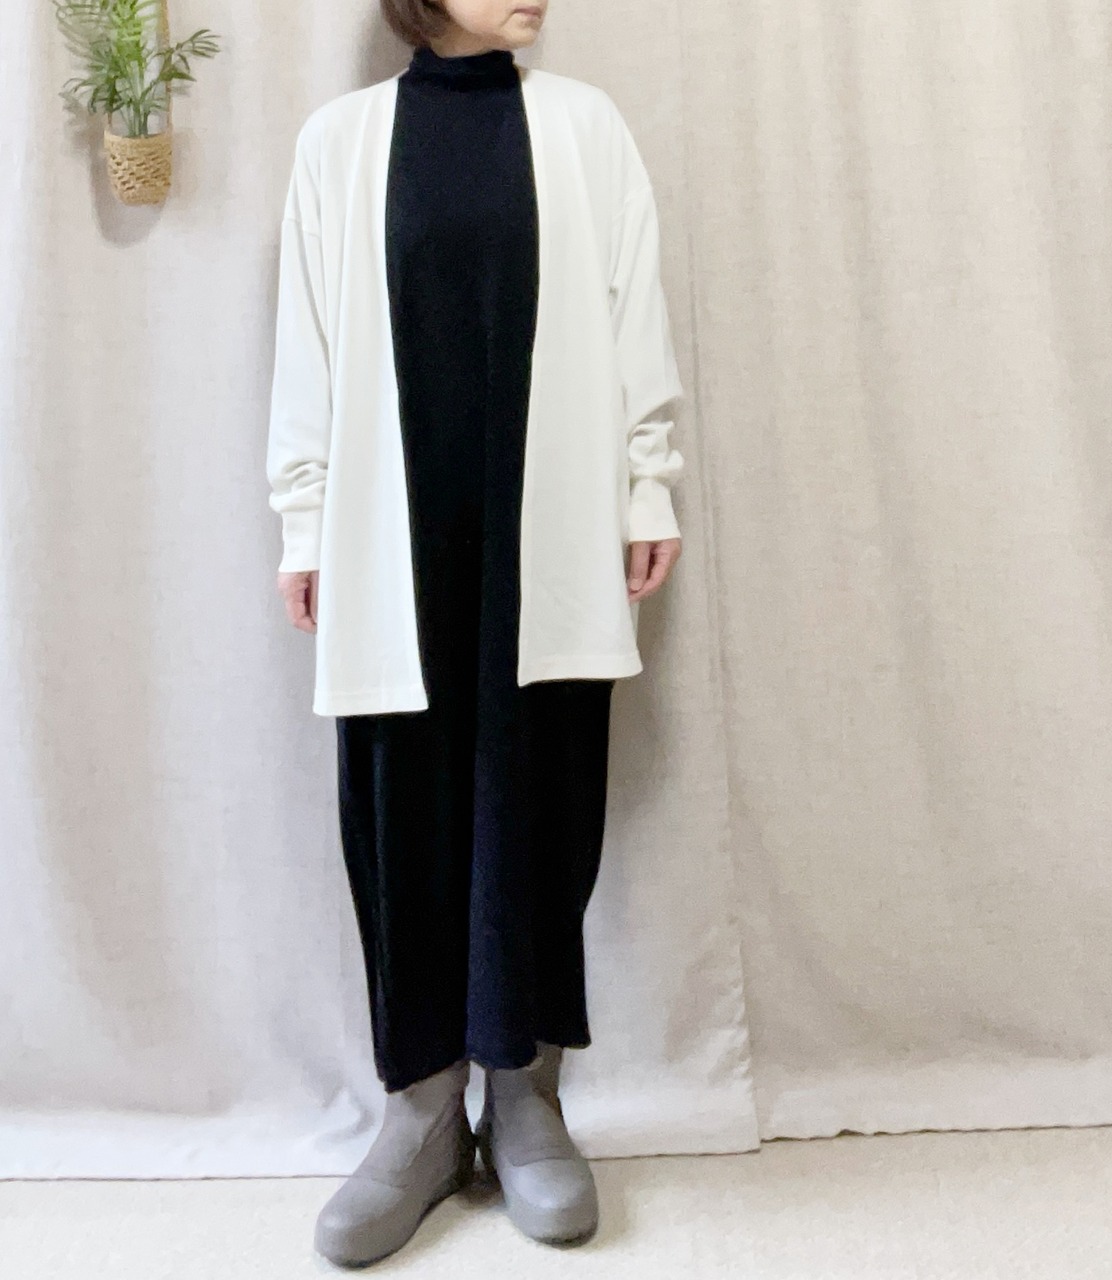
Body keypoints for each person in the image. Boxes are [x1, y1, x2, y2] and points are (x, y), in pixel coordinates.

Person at [264, 0, 686, 1266]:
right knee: (400, 803)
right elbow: (308, 343)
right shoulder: (341, 142)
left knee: (539, 791)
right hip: (389, 534)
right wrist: (303, 521)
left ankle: (526, 1093)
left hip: (546, 529)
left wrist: (646, 485)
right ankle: (420, 1109)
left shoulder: (583, 127)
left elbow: (632, 310)